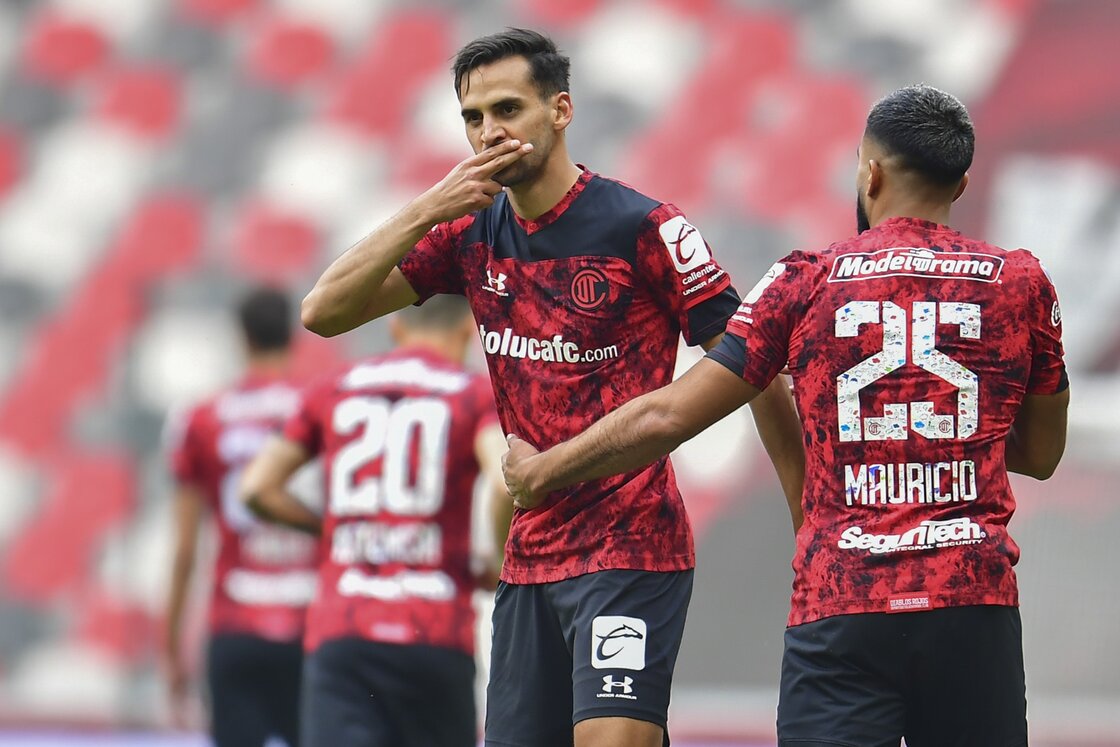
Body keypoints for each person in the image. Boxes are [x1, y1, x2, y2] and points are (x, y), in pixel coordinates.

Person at [503, 84, 1070, 747]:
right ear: (962, 181)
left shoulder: (805, 279)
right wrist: (932, 432)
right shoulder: (1020, 282)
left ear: (870, 171)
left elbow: (669, 416)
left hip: (843, 603)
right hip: (972, 602)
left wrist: (545, 468)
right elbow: (1040, 454)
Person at [298, 27, 805, 747]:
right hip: (531, 553)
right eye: (472, 118)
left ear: (560, 110)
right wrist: (425, 208)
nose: (488, 133)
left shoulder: (644, 227)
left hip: (631, 547)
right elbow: (324, 311)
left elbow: (755, 364)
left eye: (507, 109)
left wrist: (803, 513)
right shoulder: (469, 233)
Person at [239, 294, 511, 747]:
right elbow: (505, 481)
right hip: (435, 630)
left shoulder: (333, 387)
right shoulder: (472, 392)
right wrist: (499, 562)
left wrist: (335, 530)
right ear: (468, 330)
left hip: (345, 631)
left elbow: (256, 488)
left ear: (397, 329)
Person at [163, 286, 319, 747]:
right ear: (292, 334)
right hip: (309, 622)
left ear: (242, 338)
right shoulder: (321, 405)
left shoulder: (201, 417)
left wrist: (171, 649)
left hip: (235, 624)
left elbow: (185, 549)